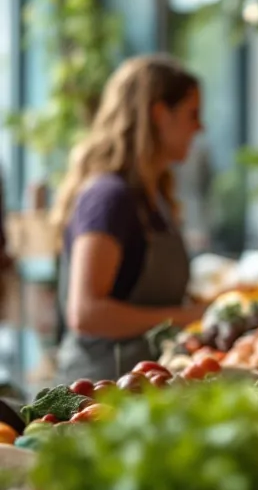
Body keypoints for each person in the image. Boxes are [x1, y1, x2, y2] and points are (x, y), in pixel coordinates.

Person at [51, 55, 209, 381]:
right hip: (98, 392)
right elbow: (86, 313)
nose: (200, 127)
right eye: (192, 114)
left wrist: (207, 307)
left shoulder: (155, 198)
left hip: (140, 382)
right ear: (159, 114)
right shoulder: (109, 198)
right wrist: (188, 316)